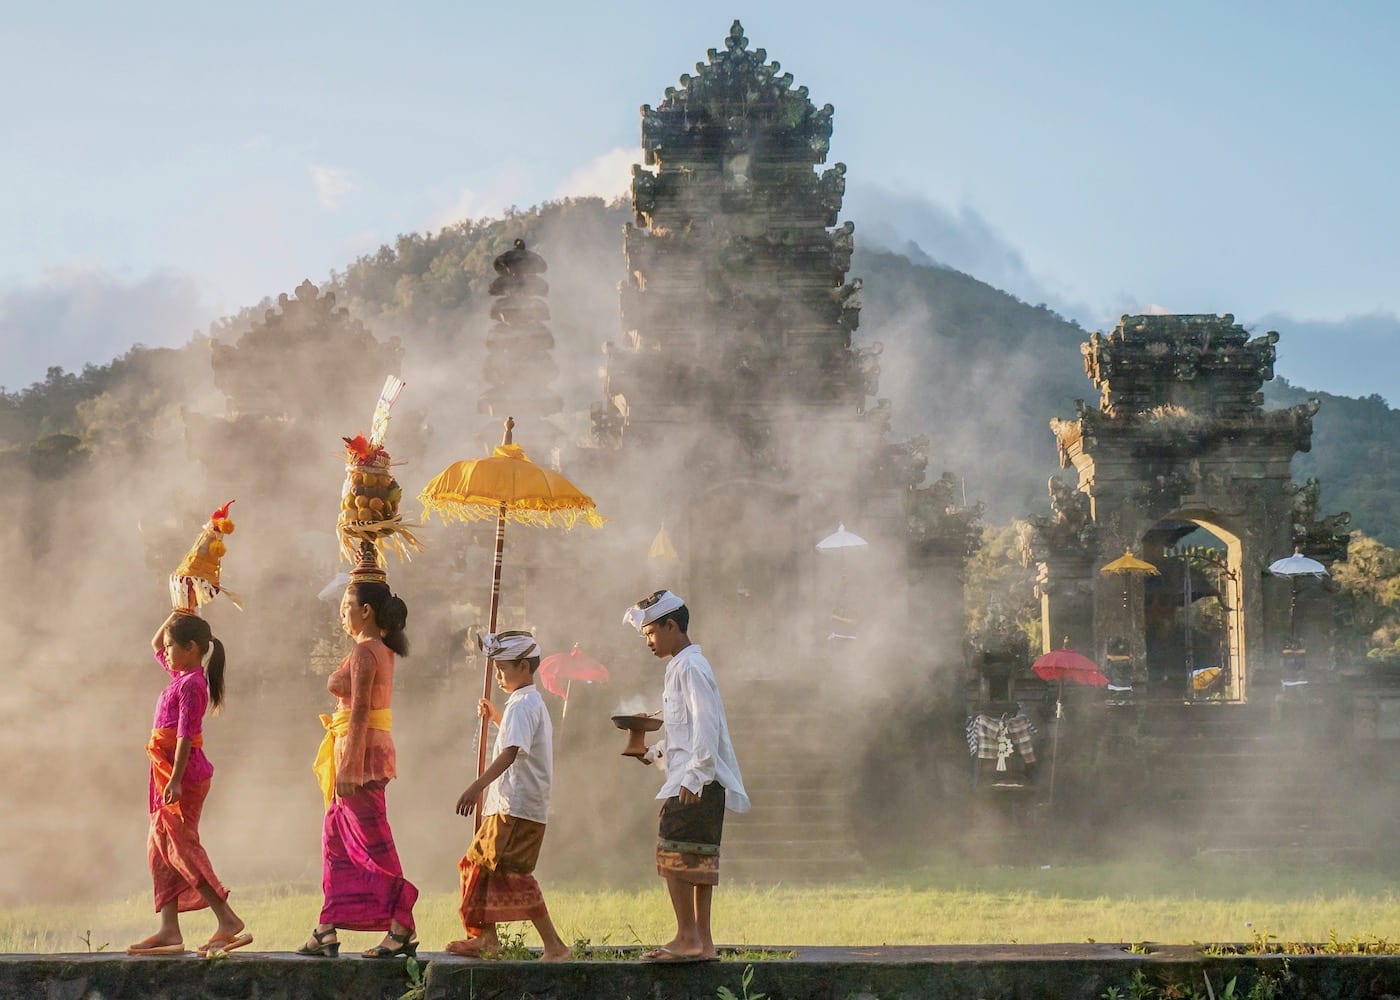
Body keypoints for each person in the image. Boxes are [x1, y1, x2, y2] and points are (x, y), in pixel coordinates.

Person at [301, 551, 418, 959]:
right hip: (357, 751)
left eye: (346, 607)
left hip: (361, 756)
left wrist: (349, 767)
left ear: (365, 610)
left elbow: (362, 711)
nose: (341, 615)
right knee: (335, 841)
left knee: (370, 842)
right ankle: (326, 928)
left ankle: (402, 922)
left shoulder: (368, 651)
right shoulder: (372, 649)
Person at [623, 589, 749, 963]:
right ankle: (702, 943)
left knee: (673, 852)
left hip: (698, 782)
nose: (647, 641)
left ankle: (687, 937)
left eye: (650, 633)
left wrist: (695, 776)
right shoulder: (679, 666)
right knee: (696, 859)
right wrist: (654, 752)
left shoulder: (692, 666)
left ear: (671, 625)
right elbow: (685, 731)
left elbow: (707, 724)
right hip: (694, 777)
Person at [127, 611, 252, 957]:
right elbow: (154, 643)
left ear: (192, 648)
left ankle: (227, 919)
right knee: (159, 847)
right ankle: (169, 929)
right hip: (164, 771)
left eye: (171, 647)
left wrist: (178, 779)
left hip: (183, 773)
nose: (164, 652)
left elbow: (184, 736)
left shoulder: (193, 684)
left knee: (181, 846)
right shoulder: (180, 676)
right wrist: (178, 609)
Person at [447, 630, 571, 961]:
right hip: (512, 805)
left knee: (507, 873)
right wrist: (495, 716)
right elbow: (516, 739)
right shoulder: (525, 703)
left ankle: (554, 946)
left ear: (524, 667)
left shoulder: (523, 704)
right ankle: (486, 937)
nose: (499, 674)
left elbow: (512, 751)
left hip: (513, 807)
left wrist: (476, 787)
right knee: (482, 866)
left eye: (503, 667)